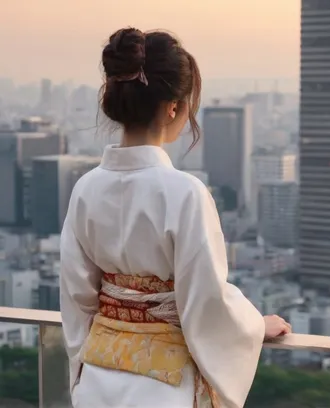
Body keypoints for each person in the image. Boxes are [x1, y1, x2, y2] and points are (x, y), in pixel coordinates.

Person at [60, 27, 291, 408]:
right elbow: (206, 299)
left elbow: (76, 296)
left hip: (98, 380)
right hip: (163, 388)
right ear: (172, 106)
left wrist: (83, 373)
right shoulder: (185, 192)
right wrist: (252, 326)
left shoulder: (86, 187)